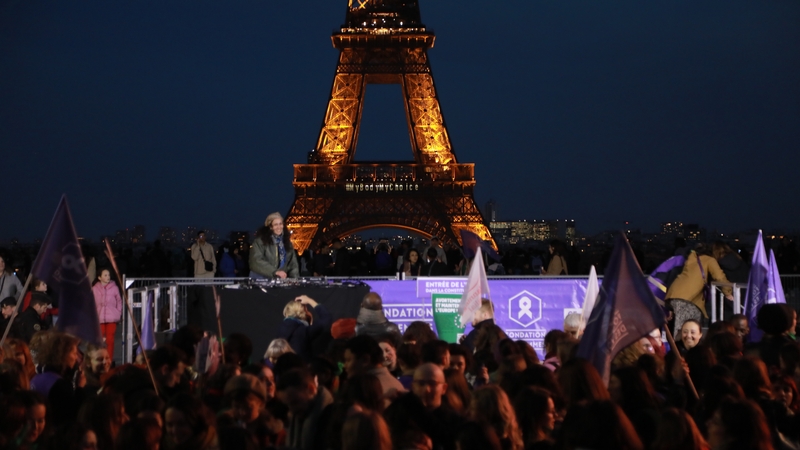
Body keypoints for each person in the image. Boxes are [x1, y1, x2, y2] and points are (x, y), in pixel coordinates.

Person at [665, 244, 733, 338]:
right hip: (687, 298)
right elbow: (720, 277)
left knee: (680, 329)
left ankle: (677, 345)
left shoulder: (691, 259)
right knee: (687, 331)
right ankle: (681, 346)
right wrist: (728, 292)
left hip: (673, 294)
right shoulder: (709, 260)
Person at [276, 368, 334, 450]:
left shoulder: (333, 419)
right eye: (287, 405)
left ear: (311, 389)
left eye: (295, 402)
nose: (291, 410)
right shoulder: (297, 418)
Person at [343, 335, 405, 404]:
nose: (344, 365)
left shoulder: (367, 389)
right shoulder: (394, 383)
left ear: (365, 360)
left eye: (348, 360)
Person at [277, 295, 332, 361]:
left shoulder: (281, 329)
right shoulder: (302, 331)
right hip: (301, 366)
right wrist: (309, 300)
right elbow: (327, 318)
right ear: (303, 311)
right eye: (306, 310)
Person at [250, 212, 299, 279]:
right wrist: (275, 272)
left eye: (280, 224)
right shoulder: (260, 241)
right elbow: (256, 261)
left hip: (279, 279)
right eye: (276, 224)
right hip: (261, 279)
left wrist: (295, 279)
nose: (279, 227)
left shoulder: (287, 243)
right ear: (270, 227)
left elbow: (292, 264)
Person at [92, 268, 123, 360]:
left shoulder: (114, 288)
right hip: (99, 317)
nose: (108, 277)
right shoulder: (94, 289)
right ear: (99, 277)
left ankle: (109, 359)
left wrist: (118, 312)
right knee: (99, 340)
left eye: (108, 275)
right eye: (105, 275)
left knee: (110, 340)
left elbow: (119, 301)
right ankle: (100, 359)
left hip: (112, 317)